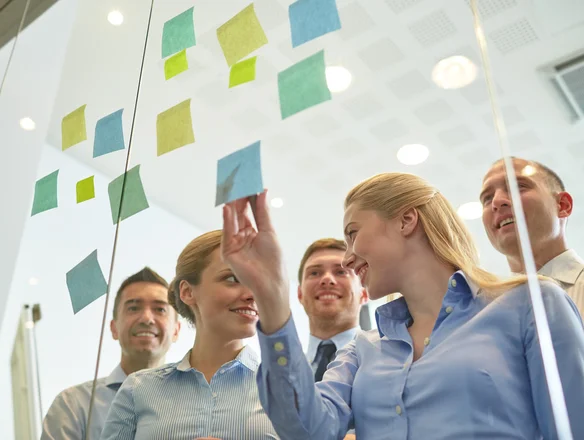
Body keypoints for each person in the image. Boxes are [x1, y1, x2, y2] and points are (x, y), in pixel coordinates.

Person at [220, 177, 584, 439]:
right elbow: (306, 430)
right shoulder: (362, 350)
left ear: (406, 220)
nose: (348, 259)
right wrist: (271, 295)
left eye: (352, 233)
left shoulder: (532, 304)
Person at [100, 230, 278, 440]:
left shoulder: (287, 389)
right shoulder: (138, 389)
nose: (251, 294)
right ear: (187, 292)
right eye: (232, 278)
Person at [41, 267, 181, 440]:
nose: (146, 318)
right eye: (133, 308)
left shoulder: (196, 403)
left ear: (176, 330)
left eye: (160, 309)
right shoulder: (74, 405)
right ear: (114, 328)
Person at [481, 157, 584, 315]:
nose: (496, 201)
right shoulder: (483, 312)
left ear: (563, 205)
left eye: (518, 187)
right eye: (487, 198)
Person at [297, 238, 367, 382]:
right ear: (300, 294)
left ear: (364, 294)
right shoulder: (282, 376)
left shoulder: (387, 362)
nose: (327, 279)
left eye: (341, 272)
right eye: (314, 273)